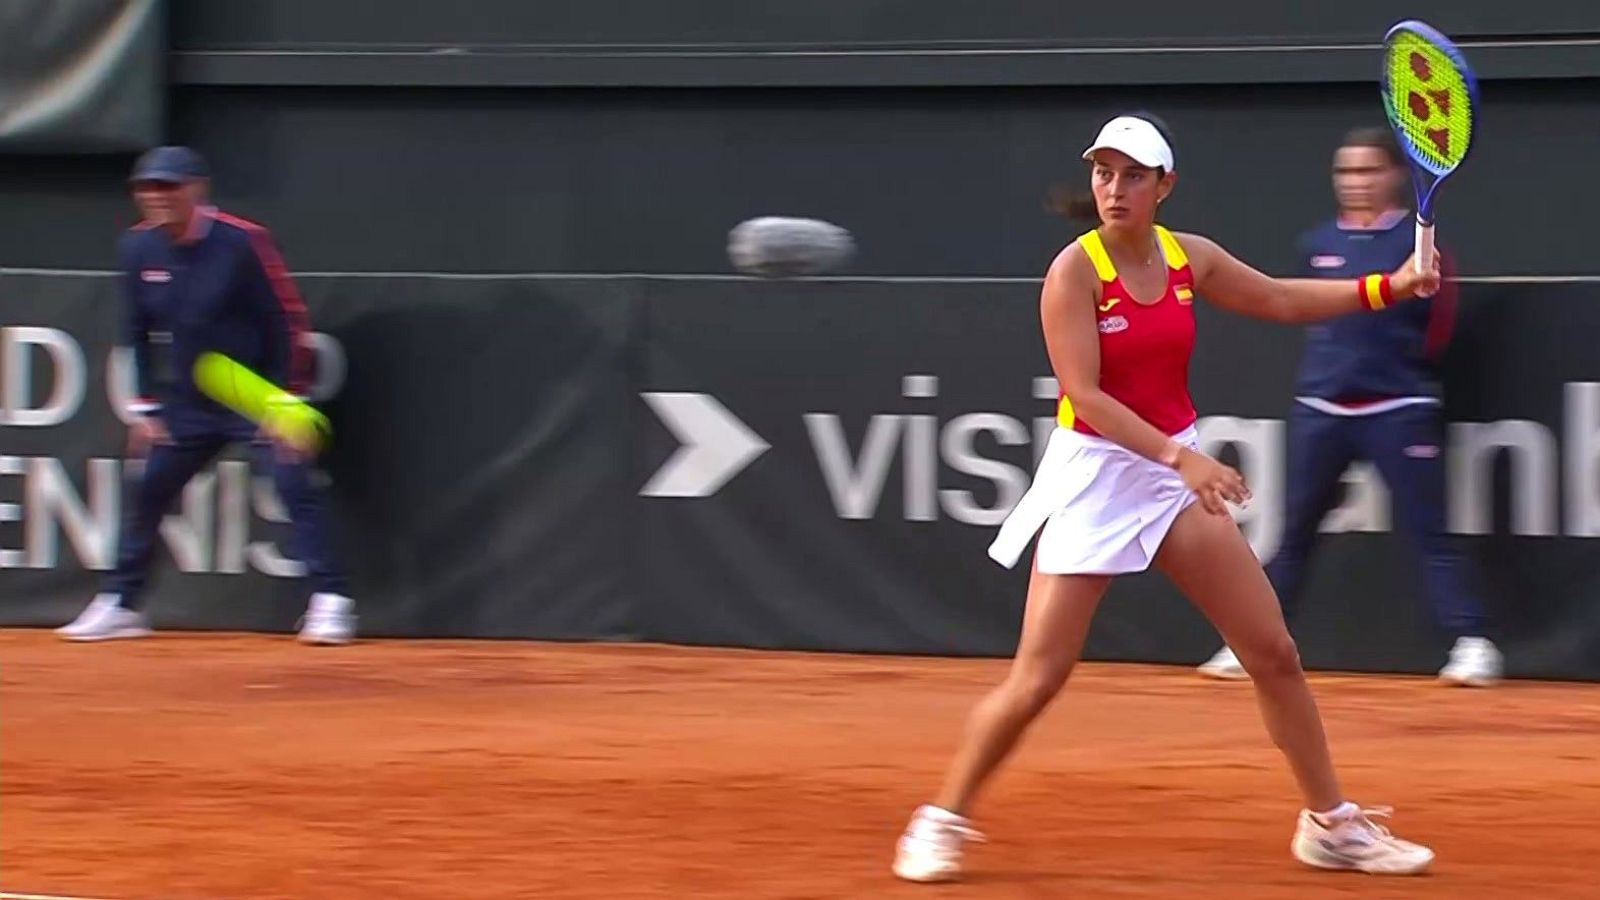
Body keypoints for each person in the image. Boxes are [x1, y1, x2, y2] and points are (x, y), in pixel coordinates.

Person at [891, 115, 1436, 883]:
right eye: (1103, 173)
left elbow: (1279, 300)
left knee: (1273, 654)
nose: (1115, 188)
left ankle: (1331, 824)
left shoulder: (1190, 257)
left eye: (1133, 175)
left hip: (1163, 477)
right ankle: (940, 818)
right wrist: (1184, 458)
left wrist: (1389, 285)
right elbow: (1084, 393)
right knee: (1040, 675)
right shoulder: (1073, 273)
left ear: (1164, 186)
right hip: (1098, 473)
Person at [1198, 128, 1501, 686]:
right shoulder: (1315, 243)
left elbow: (1438, 330)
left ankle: (1471, 642)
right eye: (1346, 172)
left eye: (1367, 171)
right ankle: (1250, 644)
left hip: (1398, 407)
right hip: (1322, 409)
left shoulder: (1422, 247)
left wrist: (1400, 371)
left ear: (1393, 177)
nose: (1355, 182)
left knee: (1429, 532)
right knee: (1293, 535)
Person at [55, 146, 356, 646]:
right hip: (188, 396)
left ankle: (331, 600)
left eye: (169, 186)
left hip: (250, 388)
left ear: (198, 189)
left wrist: (284, 402)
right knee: (147, 490)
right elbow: (136, 329)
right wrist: (145, 406)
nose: (157, 196)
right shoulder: (136, 248)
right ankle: (121, 604)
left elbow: (286, 320)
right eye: (148, 187)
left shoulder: (243, 242)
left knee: (292, 483)